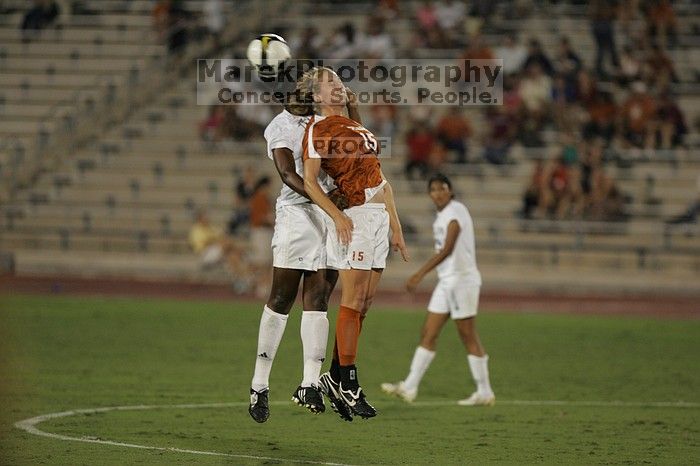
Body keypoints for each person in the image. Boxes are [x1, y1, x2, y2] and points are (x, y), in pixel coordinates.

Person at [301, 67, 409, 419]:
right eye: (330, 81)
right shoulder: (318, 128)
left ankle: (334, 376)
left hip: (377, 217)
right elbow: (311, 181)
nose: (339, 84)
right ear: (317, 95)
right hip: (357, 217)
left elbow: (379, 176)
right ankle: (348, 381)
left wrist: (396, 226)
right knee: (353, 298)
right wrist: (337, 215)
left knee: (365, 302)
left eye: (338, 80)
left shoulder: (354, 125)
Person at [248, 80, 358, 423]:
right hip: (298, 214)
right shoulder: (279, 126)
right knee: (281, 299)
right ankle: (259, 385)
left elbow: (357, 135)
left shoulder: (321, 117)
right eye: (299, 88)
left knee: (320, 297)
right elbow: (286, 173)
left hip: (330, 215)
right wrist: (325, 201)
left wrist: (351, 104)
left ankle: (309, 382)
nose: (306, 93)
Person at [381, 173, 495, 406]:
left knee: (467, 335)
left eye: (442, 188)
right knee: (428, 332)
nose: (438, 192)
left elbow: (448, 249)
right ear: (429, 194)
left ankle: (485, 391)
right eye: (433, 189)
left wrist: (419, 273)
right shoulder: (441, 216)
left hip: (462, 281)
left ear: (450, 191)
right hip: (447, 282)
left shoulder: (456, 210)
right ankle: (410, 387)